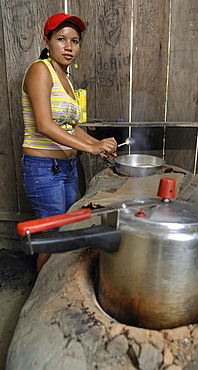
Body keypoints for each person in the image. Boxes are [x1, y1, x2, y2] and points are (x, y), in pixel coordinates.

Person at [21, 13, 117, 273]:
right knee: (53, 238)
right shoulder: (40, 70)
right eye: (61, 39)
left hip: (67, 169)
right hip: (43, 168)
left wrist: (98, 144)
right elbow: (44, 124)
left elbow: (71, 126)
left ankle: (55, 291)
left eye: (75, 41)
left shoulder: (67, 79)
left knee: (66, 232)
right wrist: (91, 148)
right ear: (47, 41)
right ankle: (40, 303)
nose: (68, 46)